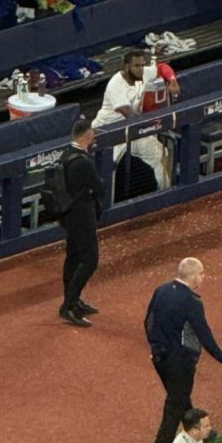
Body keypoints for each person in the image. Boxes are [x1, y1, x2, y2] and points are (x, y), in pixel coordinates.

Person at [144, 258, 222, 443]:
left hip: (160, 358)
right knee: (174, 407)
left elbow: (148, 320)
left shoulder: (161, 290)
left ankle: (197, 429)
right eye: (201, 273)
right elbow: (203, 333)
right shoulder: (191, 301)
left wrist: (155, 347)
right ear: (191, 276)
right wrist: (221, 357)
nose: (203, 276)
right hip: (180, 362)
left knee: (181, 397)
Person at [92, 50, 180, 190]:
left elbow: (162, 67)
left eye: (142, 65)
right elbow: (130, 115)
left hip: (132, 130)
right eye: (136, 66)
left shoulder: (144, 73)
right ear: (127, 67)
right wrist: (152, 124)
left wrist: (172, 79)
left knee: (159, 153)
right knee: (107, 170)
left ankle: (165, 196)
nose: (141, 69)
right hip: (107, 134)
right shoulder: (116, 84)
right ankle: (106, 209)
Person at [58, 119, 106, 328]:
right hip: (82, 216)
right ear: (87, 136)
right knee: (90, 259)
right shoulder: (83, 161)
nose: (94, 137)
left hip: (69, 215)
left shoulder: (66, 154)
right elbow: (100, 187)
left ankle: (73, 301)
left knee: (74, 257)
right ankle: (68, 305)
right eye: (92, 134)